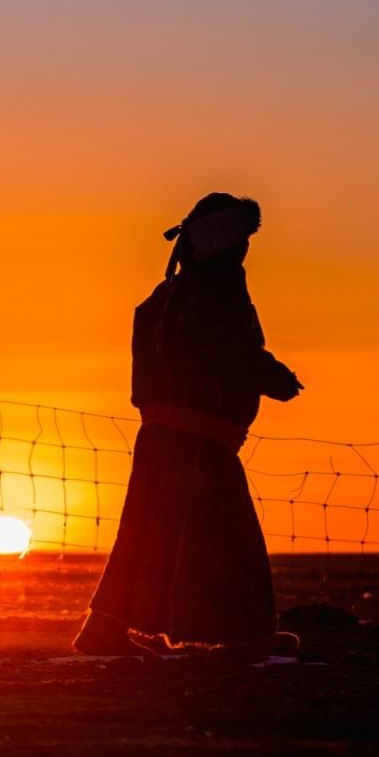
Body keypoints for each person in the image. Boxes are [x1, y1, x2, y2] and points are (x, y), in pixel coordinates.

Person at [74, 192, 303, 656]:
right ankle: (245, 636)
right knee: (224, 538)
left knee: (147, 535)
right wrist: (270, 375)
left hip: (162, 431)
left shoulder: (170, 292)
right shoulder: (217, 289)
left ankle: (104, 629)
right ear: (231, 242)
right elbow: (221, 347)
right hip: (201, 436)